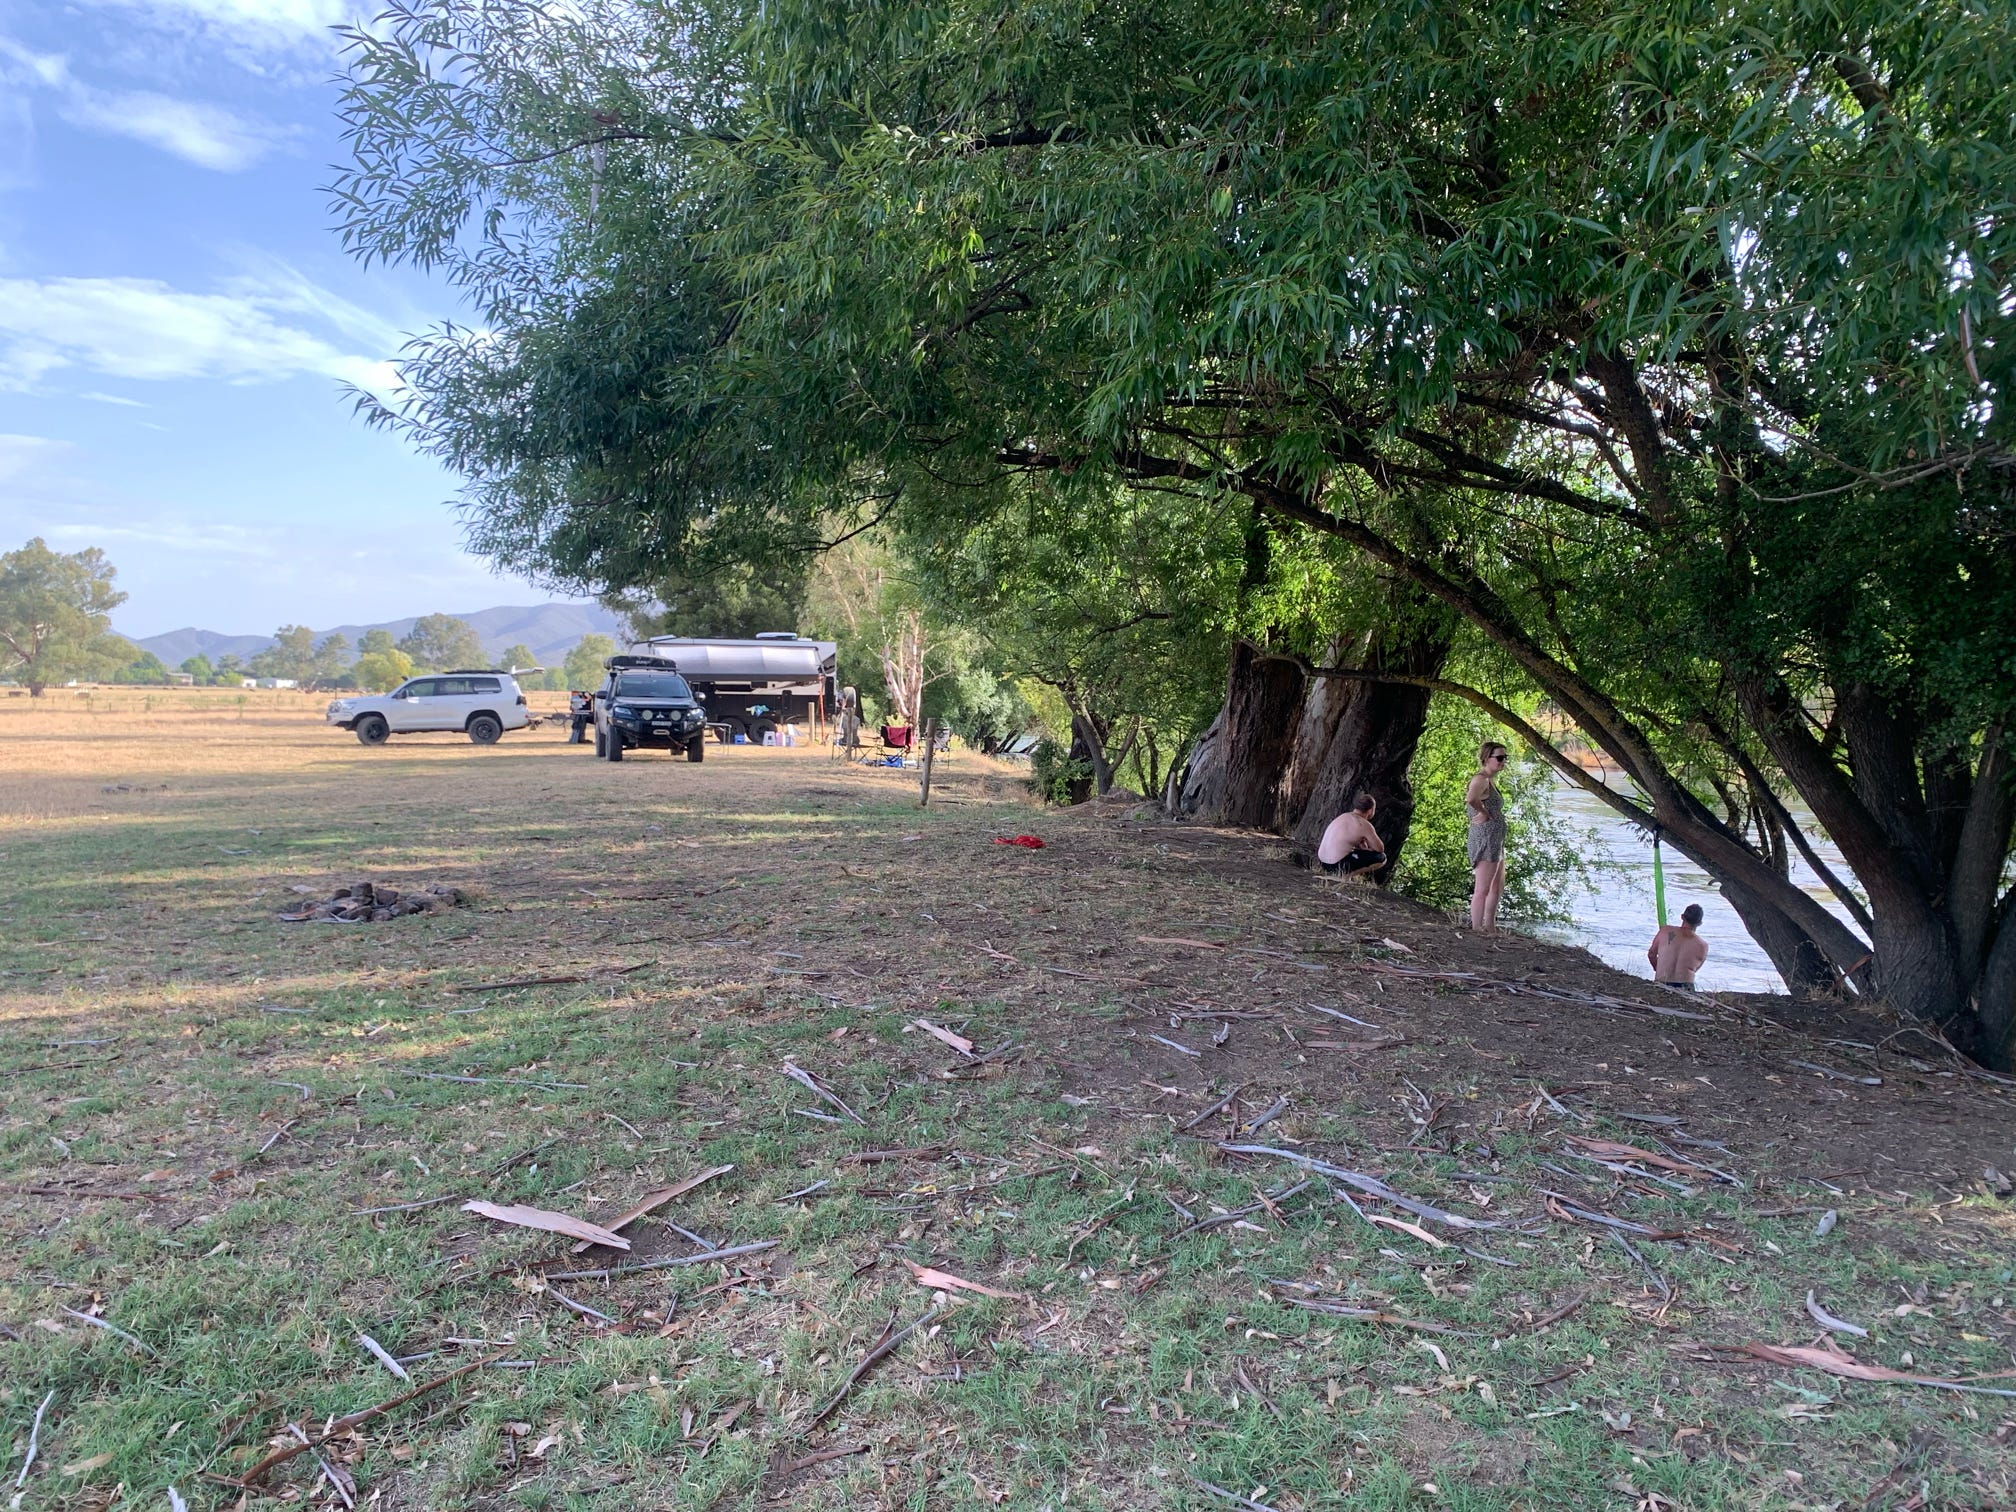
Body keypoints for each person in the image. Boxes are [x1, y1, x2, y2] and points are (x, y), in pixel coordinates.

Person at [1466, 741, 1509, 933]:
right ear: (1486, 758)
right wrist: (1483, 812)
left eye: (1505, 758)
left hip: (1495, 840)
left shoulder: (1491, 780)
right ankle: (1477, 929)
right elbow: (1471, 799)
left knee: (1497, 887)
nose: (1503, 761)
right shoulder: (1480, 779)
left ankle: (1490, 927)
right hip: (1485, 840)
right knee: (1482, 889)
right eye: (1499, 758)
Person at [1316, 794, 1388, 876]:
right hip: (1335, 865)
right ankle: (1345, 876)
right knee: (1381, 858)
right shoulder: (1363, 824)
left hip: (1322, 862)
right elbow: (1380, 848)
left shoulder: (1343, 816)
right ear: (1371, 810)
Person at [1647, 903, 1709, 988]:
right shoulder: (1703, 945)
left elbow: (1651, 954)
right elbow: (1695, 969)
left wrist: (1657, 968)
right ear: (1699, 923)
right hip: (1685, 986)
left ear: (1682, 917)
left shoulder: (1665, 931)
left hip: (1662, 982)